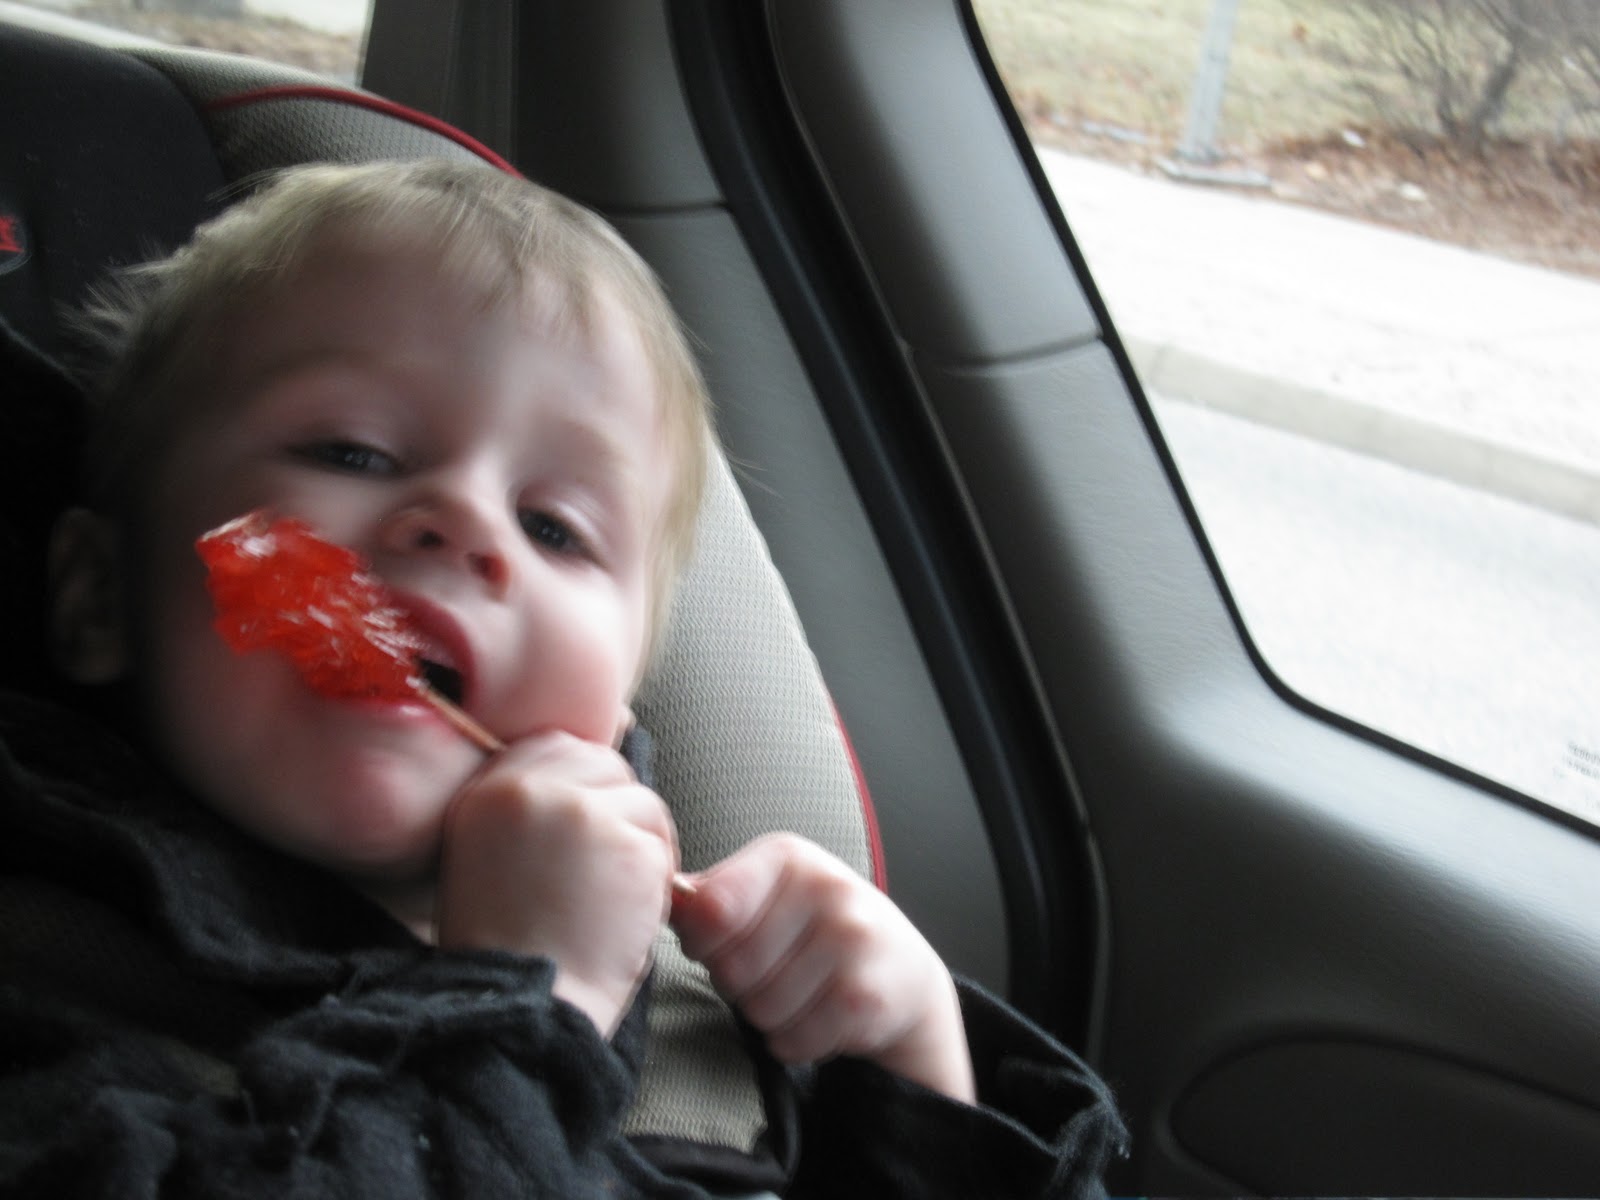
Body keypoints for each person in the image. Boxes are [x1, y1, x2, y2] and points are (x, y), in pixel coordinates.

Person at [0, 159, 1124, 1197]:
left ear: (615, 711)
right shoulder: (50, 958)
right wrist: (525, 1000)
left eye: (554, 526)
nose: (463, 519)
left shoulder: (703, 1017)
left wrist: (916, 1083)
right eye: (350, 452)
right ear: (100, 597)